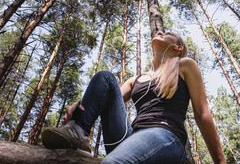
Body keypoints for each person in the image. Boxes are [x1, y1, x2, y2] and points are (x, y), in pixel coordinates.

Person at [41, 31, 225, 164]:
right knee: (105, 77)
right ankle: (77, 132)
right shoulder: (137, 79)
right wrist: (79, 109)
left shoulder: (184, 65)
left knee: (111, 162)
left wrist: (220, 161)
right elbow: (103, 98)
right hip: (130, 138)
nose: (159, 31)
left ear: (178, 47)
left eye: (167, 32)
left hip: (166, 136)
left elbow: (202, 115)